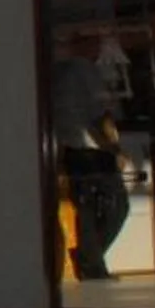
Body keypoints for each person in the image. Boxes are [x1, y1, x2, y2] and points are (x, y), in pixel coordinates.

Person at [52, 33, 128, 281]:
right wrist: (114, 148)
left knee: (85, 209)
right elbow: (98, 115)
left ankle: (89, 261)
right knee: (116, 206)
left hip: (70, 149)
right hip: (93, 150)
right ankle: (89, 261)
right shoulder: (83, 70)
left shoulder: (56, 74)